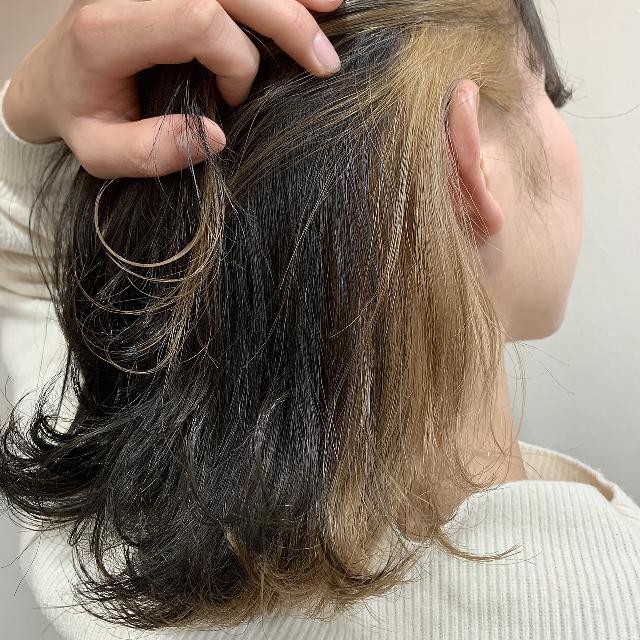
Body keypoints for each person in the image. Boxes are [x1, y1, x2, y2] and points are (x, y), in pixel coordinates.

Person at [0, 0, 639, 639]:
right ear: (473, 161)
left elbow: (23, 282)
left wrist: (26, 107)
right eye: (549, 93)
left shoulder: (113, 562)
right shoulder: (613, 601)